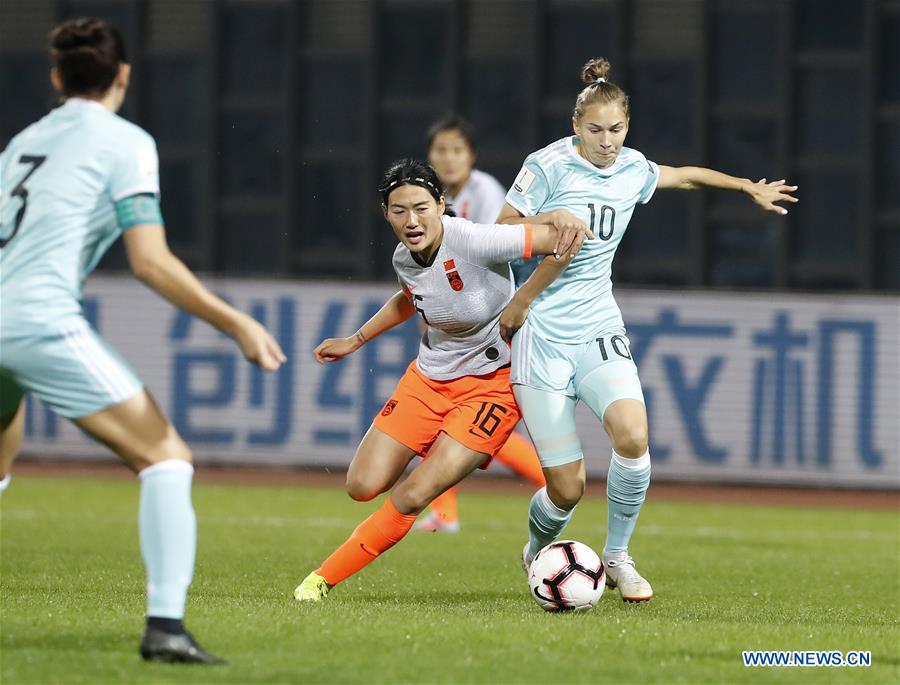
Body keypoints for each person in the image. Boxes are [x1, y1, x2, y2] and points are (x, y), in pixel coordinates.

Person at [0, 18, 286, 663]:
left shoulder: (23, 142)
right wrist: (236, 322)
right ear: (123, 76)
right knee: (166, 458)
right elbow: (150, 263)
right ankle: (166, 628)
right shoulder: (126, 142)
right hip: (37, 319)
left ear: (56, 77)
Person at [498, 58, 797, 602]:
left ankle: (617, 556)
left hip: (597, 324)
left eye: (616, 129)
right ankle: (537, 549)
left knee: (633, 437)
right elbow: (501, 230)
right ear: (575, 126)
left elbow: (684, 175)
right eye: (595, 130)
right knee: (566, 488)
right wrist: (550, 221)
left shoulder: (633, 168)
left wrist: (744, 186)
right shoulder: (546, 166)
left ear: (627, 126)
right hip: (540, 333)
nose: (607, 141)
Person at [293, 159, 588, 601]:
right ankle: (442, 442)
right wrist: (356, 339)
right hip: (429, 380)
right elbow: (410, 297)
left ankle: (320, 580)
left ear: (440, 204)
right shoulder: (403, 257)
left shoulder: (472, 239)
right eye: (399, 211)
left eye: (421, 208)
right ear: (385, 213)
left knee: (413, 494)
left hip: (492, 385)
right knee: (361, 485)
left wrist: (523, 299)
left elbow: (565, 240)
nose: (411, 221)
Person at [418, 114, 545, 533]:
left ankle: (558, 484)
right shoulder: (429, 199)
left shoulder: (486, 192)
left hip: (496, 314)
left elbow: (495, 252)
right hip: (463, 316)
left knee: (476, 420)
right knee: (458, 419)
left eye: (457, 150)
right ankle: (445, 514)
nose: (449, 158)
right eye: (441, 150)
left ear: (471, 156)